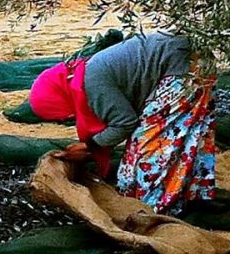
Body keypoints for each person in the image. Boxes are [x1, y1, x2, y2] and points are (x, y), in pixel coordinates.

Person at [28, 32, 216, 215]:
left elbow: (125, 123)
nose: (64, 119)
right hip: (189, 60)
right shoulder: (82, 74)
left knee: (146, 146)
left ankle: (149, 209)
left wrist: (90, 146)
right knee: (189, 134)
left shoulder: (91, 84)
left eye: (59, 115)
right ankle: (191, 195)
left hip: (181, 67)